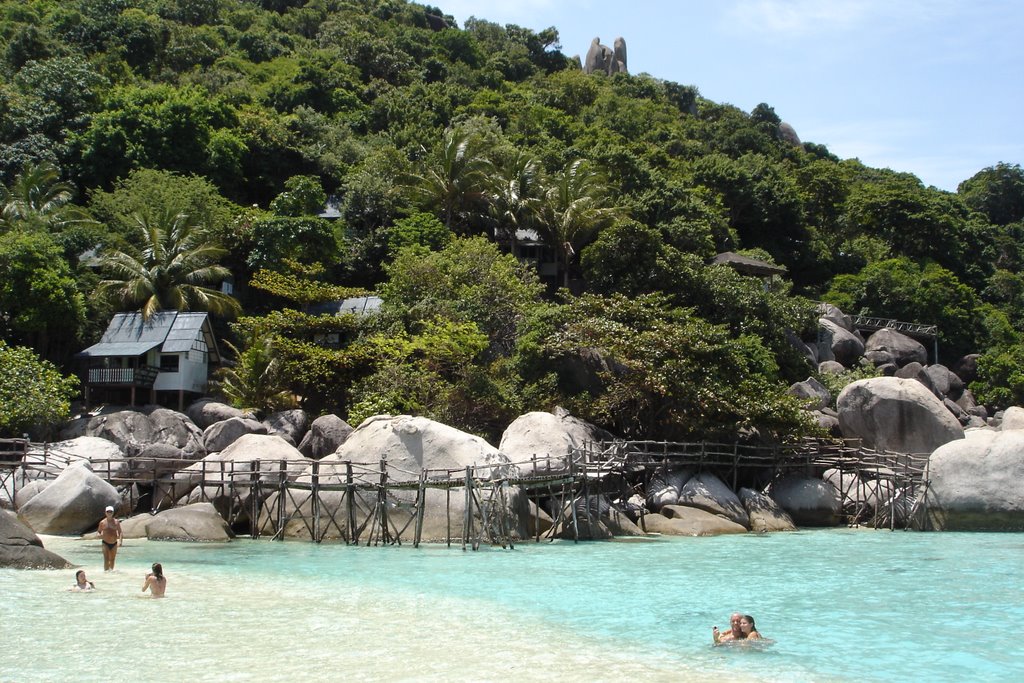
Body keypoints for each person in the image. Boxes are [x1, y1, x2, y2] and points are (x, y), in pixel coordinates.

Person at [97, 505, 122, 571]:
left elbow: (120, 532)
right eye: (108, 512)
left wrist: (120, 541)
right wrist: (99, 535)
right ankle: (106, 572)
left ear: (113, 513)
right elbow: (99, 531)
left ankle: (111, 571)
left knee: (112, 559)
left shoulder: (116, 522)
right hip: (105, 543)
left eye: (111, 512)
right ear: (105, 512)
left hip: (114, 543)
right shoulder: (102, 522)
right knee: (106, 558)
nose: (109, 513)